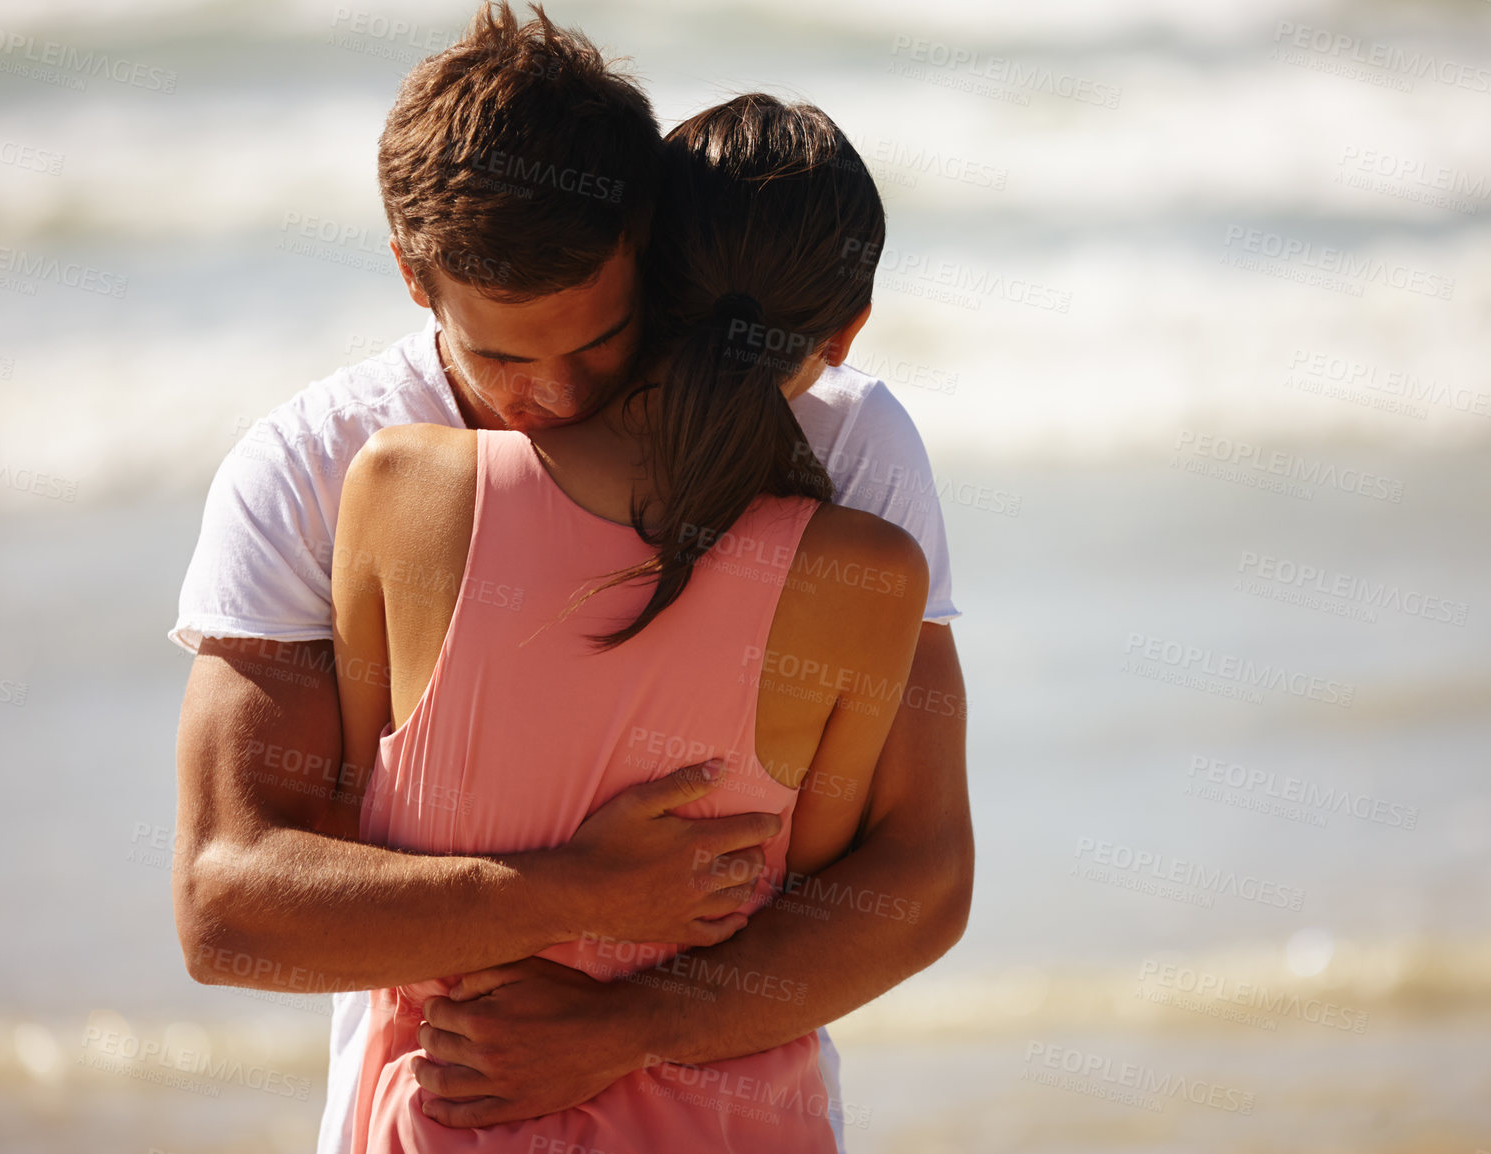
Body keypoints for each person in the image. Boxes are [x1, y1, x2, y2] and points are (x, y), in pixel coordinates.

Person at [168, 5, 972, 1150]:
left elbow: (921, 875)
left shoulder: (849, 442)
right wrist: (575, 890)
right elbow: (229, 907)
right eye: (500, 355)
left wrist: (626, 1021)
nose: (547, 397)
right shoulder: (318, 465)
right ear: (413, 276)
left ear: (646, 250)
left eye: (597, 343)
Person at [330, 91, 927, 1152]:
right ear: (845, 336)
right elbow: (808, 880)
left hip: (451, 1108)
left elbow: (355, 819)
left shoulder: (399, 487)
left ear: (640, 279)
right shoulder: (868, 576)